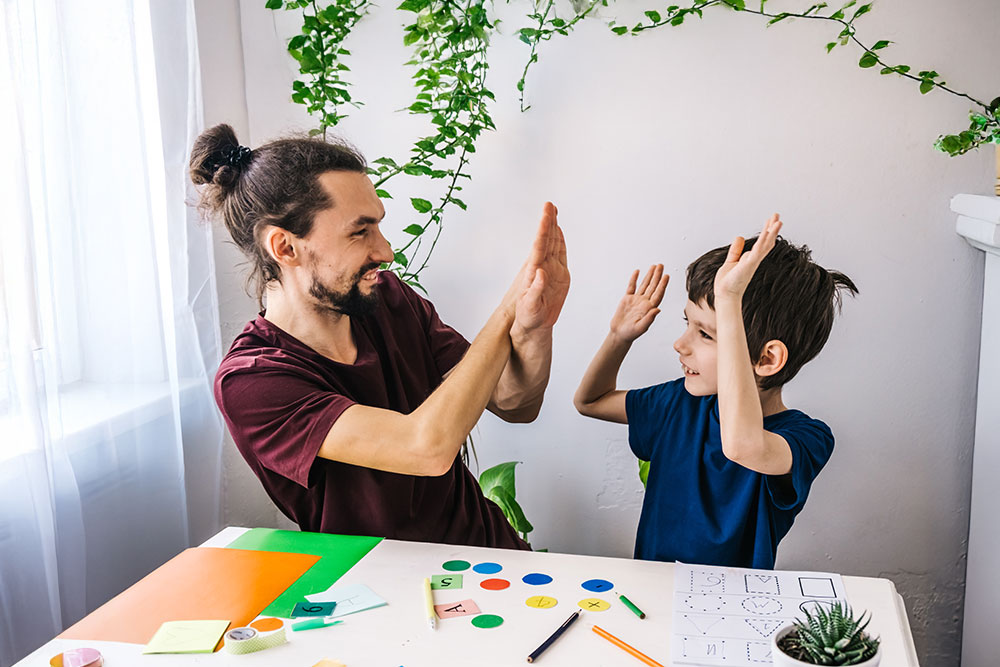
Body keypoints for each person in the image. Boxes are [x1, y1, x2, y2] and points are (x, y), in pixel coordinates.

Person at [189, 124, 569, 549]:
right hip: (384, 590)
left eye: (379, 227)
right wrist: (505, 312)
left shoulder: (388, 300)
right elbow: (425, 449)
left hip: (495, 557)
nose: (386, 250)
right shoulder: (253, 380)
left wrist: (532, 327)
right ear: (285, 248)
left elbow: (515, 402)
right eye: (360, 231)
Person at [574, 215, 857, 568]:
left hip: (733, 615)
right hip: (651, 600)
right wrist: (619, 337)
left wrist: (730, 300)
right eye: (686, 324)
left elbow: (741, 445)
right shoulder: (678, 403)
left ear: (767, 359)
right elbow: (590, 402)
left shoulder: (805, 439)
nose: (680, 344)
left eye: (706, 334)